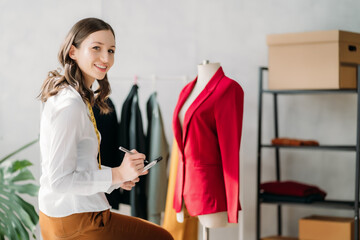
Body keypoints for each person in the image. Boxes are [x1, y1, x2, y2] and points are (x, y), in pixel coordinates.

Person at [38, 17, 173, 240]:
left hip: (69, 215)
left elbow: (77, 167)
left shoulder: (75, 98)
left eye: (111, 50)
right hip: (77, 219)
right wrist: (116, 173)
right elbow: (59, 180)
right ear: (73, 51)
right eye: (96, 48)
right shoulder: (70, 105)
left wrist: (117, 178)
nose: (106, 58)